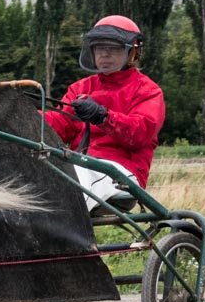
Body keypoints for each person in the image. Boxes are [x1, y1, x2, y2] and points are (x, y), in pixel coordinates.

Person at [44, 15, 165, 210]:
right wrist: (23, 114)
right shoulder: (80, 88)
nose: (105, 54)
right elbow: (58, 124)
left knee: (74, 181)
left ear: (132, 53)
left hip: (123, 173)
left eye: (114, 48)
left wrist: (103, 116)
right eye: (100, 47)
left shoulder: (148, 90)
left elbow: (140, 133)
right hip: (82, 165)